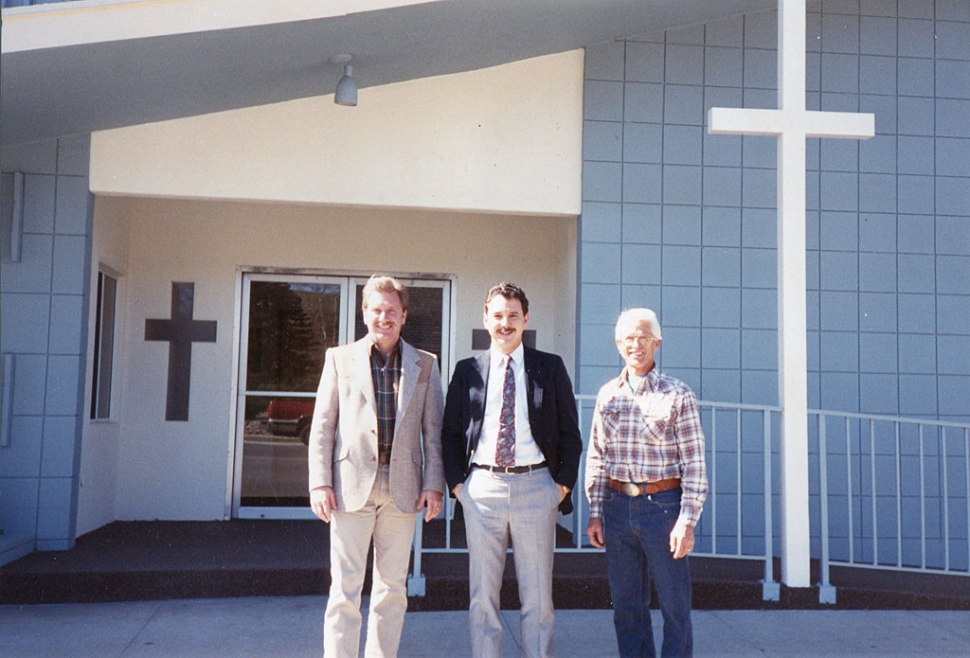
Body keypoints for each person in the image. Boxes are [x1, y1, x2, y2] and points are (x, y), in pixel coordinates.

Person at [442, 281, 583, 658]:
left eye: (513, 316)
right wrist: (459, 486)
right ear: (486, 318)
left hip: (537, 486)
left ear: (526, 319)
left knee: (538, 597)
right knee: (482, 596)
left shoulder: (549, 368)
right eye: (498, 315)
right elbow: (451, 433)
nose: (506, 323)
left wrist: (561, 487)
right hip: (482, 488)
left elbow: (571, 432)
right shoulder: (467, 370)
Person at [307, 275, 445, 658]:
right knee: (345, 589)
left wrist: (434, 484)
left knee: (391, 589)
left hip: (403, 489)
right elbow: (323, 427)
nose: (384, 317)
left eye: (391, 310)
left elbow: (434, 432)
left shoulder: (426, 364)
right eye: (376, 309)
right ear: (365, 312)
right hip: (350, 487)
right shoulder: (339, 358)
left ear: (403, 315)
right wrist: (320, 483)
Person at [585, 308, 708, 658]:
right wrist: (596, 513)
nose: (634, 345)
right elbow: (597, 456)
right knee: (626, 608)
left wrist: (686, 521)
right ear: (618, 344)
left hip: (663, 509)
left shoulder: (677, 394)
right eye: (627, 338)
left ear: (656, 342)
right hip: (618, 508)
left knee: (675, 607)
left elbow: (695, 464)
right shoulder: (608, 394)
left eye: (642, 337)